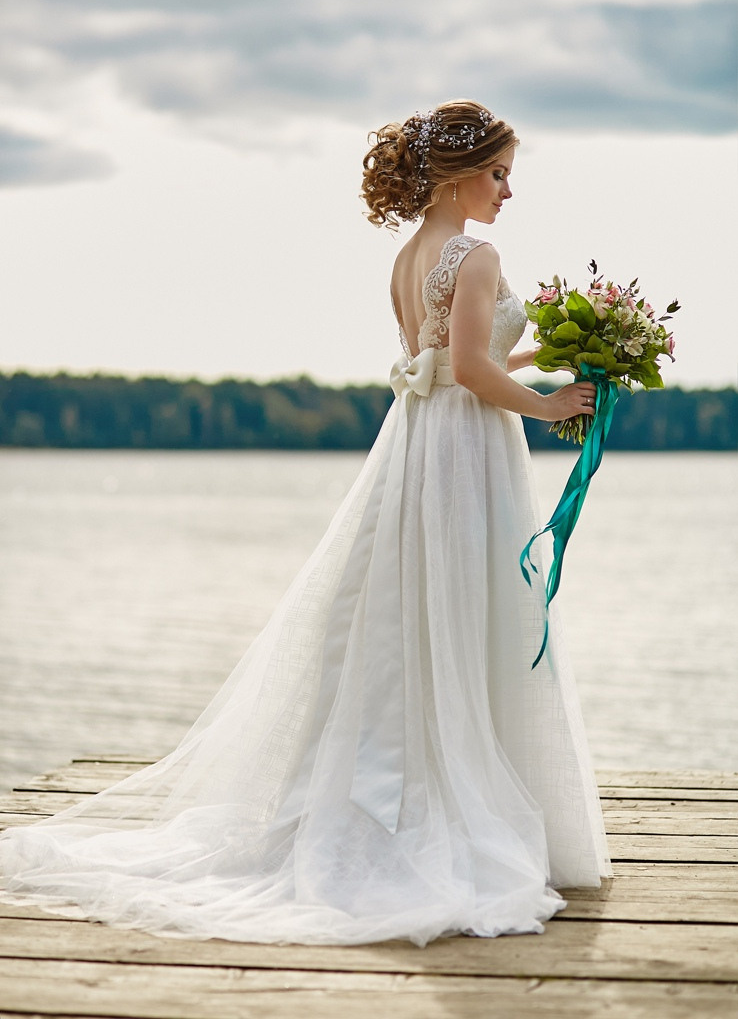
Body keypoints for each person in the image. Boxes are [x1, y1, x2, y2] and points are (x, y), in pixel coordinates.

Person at [0, 99, 610, 946]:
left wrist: (541, 357)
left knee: (420, 605)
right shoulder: (476, 251)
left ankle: (416, 773)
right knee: (464, 603)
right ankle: (453, 792)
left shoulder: (410, 256)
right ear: (459, 174)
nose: (509, 191)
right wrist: (550, 408)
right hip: (466, 447)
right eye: (501, 173)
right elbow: (468, 369)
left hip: (421, 445)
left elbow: (441, 360)